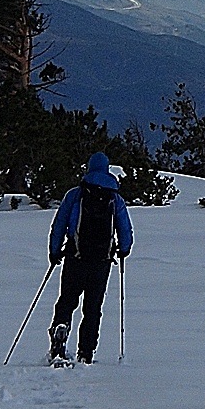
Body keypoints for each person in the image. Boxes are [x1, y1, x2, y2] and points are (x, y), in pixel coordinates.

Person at [47, 152, 133, 364]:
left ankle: (61, 329)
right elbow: (125, 228)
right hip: (101, 262)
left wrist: (54, 250)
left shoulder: (75, 195)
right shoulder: (114, 198)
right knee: (93, 307)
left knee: (67, 299)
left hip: (75, 257)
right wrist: (124, 249)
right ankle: (86, 352)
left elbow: (59, 224)